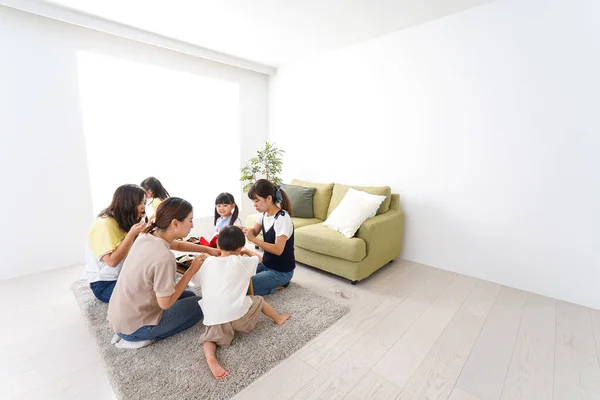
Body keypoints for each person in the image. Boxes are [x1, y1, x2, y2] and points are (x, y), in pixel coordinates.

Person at [191, 226, 291, 379]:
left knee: (209, 338)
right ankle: (278, 318)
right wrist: (245, 251)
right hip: (240, 318)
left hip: (215, 318)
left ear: (217, 245)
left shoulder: (207, 262)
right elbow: (259, 258)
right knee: (258, 300)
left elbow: (196, 282)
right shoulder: (242, 261)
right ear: (239, 248)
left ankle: (211, 357)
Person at [108, 197, 207, 349]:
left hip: (119, 317)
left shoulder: (147, 236)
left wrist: (208, 249)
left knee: (190, 296)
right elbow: (165, 303)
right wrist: (192, 270)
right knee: (200, 304)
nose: (192, 225)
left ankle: (127, 333)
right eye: (190, 220)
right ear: (175, 223)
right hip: (136, 327)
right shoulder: (165, 258)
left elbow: (177, 244)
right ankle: (141, 339)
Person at [85, 184, 147, 303]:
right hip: (104, 285)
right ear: (128, 203)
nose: (143, 207)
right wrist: (131, 235)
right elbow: (112, 261)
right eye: (140, 203)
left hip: (123, 277)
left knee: (158, 287)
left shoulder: (123, 220)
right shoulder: (102, 225)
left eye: (144, 202)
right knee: (150, 297)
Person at [243, 179, 295, 296]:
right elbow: (254, 232)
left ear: (269, 198)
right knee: (239, 279)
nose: (254, 205)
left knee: (245, 288)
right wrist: (243, 230)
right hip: (267, 264)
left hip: (281, 271)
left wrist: (254, 239)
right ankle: (270, 282)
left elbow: (278, 249)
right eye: (253, 201)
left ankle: (279, 285)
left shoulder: (282, 218)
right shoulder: (263, 215)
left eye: (257, 201)